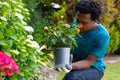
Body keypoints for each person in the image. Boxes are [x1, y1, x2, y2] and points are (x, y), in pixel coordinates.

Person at [56, 0, 110, 80]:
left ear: (94, 21)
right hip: (76, 63)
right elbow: (68, 45)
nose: (79, 25)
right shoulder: (74, 24)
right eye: (78, 20)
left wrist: (68, 65)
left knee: (73, 77)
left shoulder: (102, 35)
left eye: (84, 23)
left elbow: (88, 62)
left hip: (94, 68)